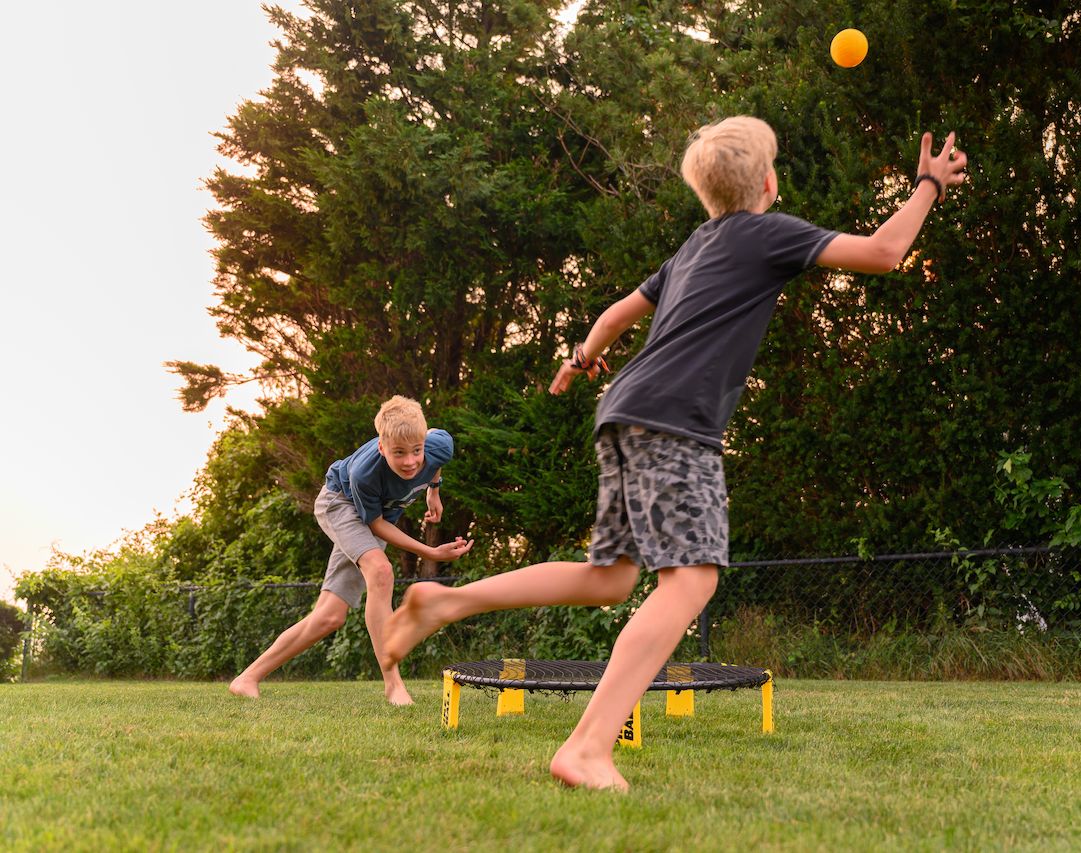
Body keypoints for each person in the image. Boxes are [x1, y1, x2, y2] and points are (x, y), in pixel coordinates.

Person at [384, 116, 967, 786]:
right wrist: (926, 185)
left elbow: (615, 313)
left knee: (611, 578)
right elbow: (885, 252)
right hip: (674, 421)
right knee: (691, 578)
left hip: (627, 410)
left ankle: (447, 601)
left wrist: (581, 358)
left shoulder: (694, 246)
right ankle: (586, 747)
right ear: (770, 182)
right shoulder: (767, 232)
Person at [229, 395, 473, 705]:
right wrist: (429, 551)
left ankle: (247, 678)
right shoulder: (365, 473)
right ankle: (394, 685)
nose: (411, 461)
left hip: (375, 516)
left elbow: (434, 464)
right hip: (339, 504)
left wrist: (433, 493)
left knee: (329, 617)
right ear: (382, 447)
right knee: (381, 571)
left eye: (416, 451)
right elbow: (375, 524)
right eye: (398, 453)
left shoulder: (437, 445)